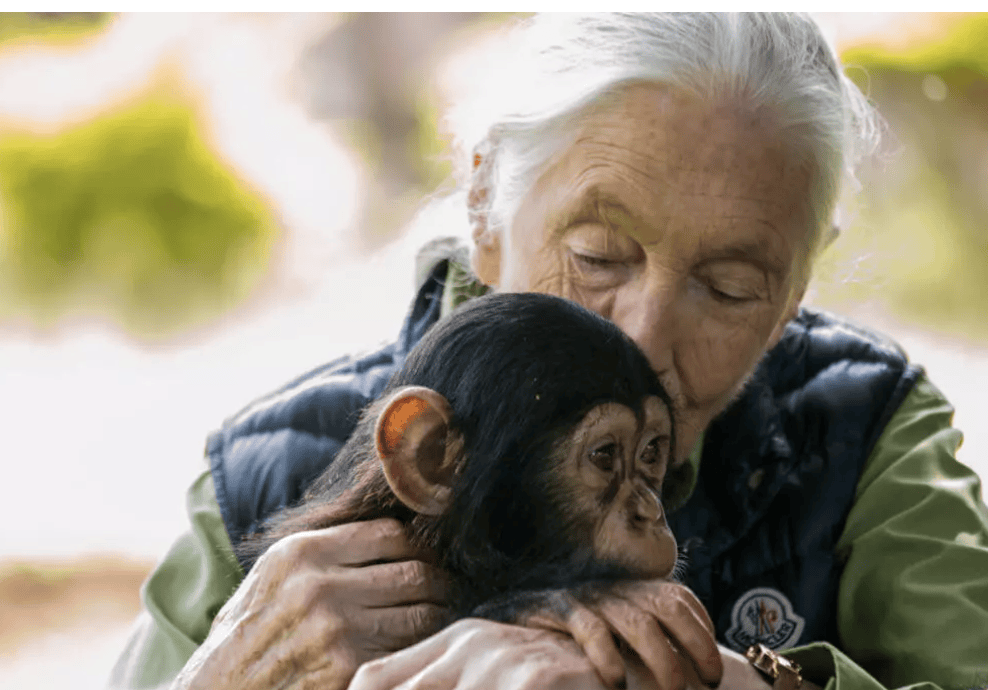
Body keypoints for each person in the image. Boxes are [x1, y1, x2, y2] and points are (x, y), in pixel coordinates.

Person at [109, 13, 988, 690]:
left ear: (799, 285)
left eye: (728, 288)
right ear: (486, 205)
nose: (640, 339)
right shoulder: (271, 474)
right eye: (599, 256)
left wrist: (731, 678)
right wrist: (225, 675)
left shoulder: (861, 425)